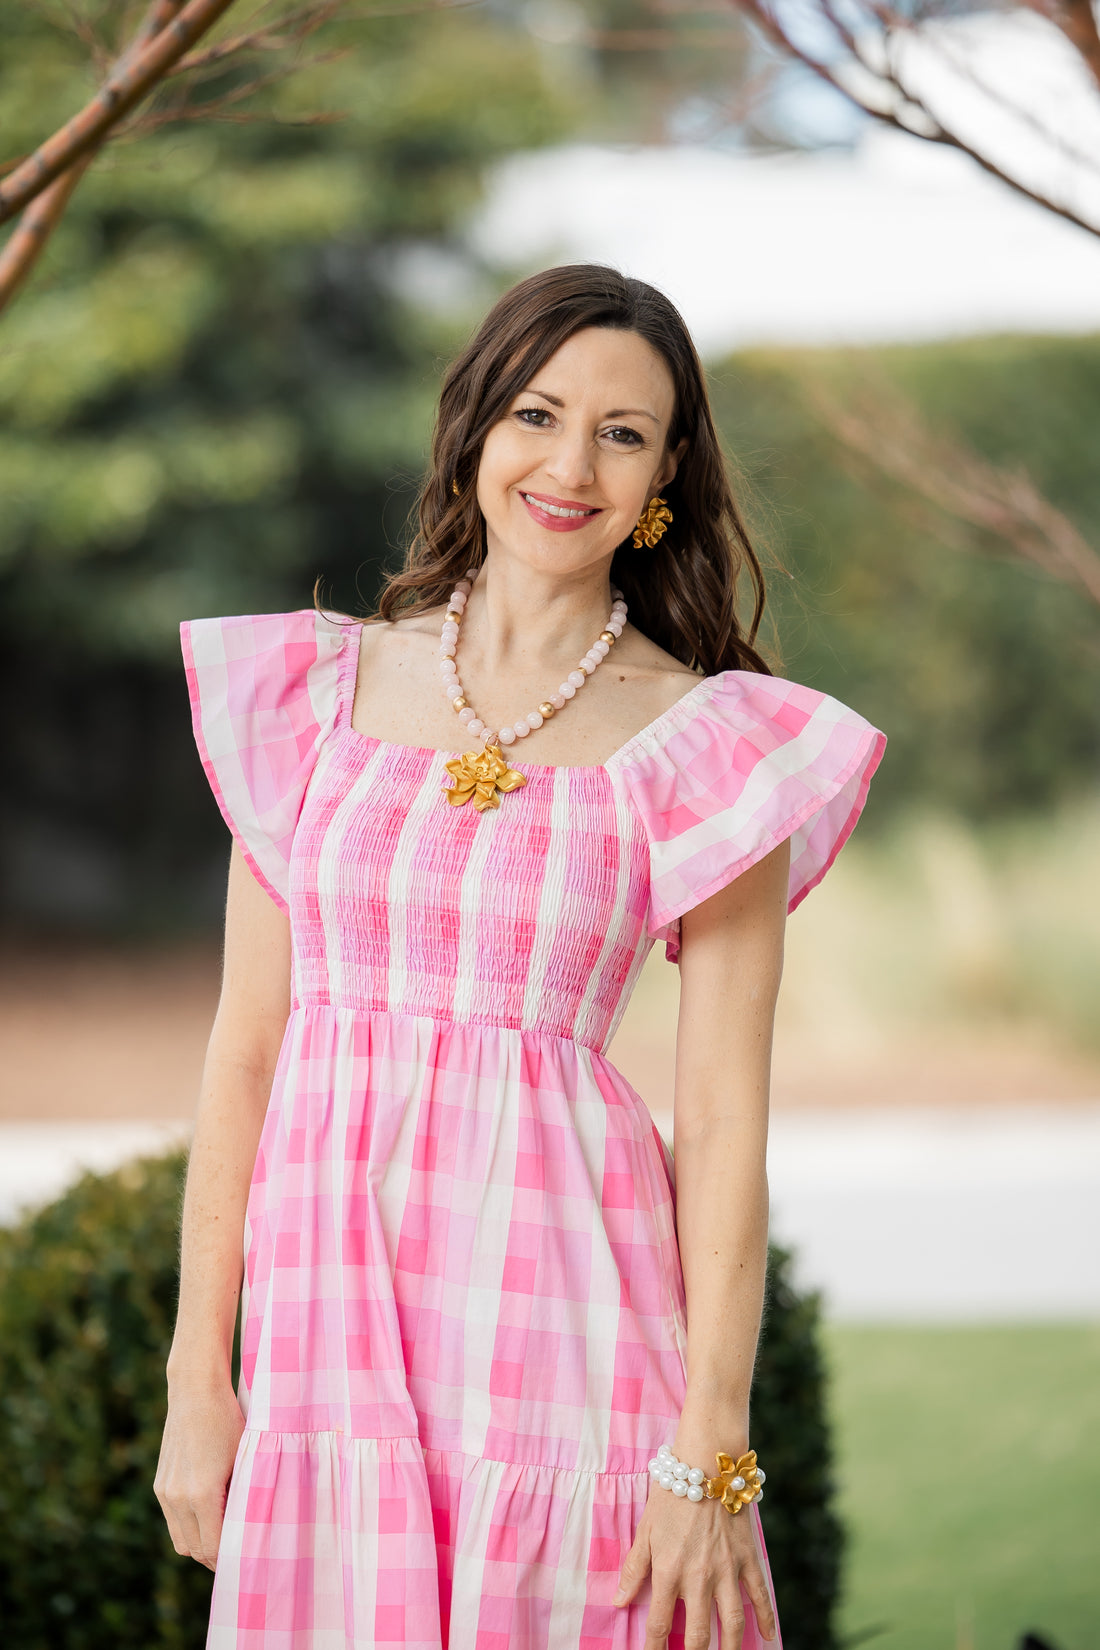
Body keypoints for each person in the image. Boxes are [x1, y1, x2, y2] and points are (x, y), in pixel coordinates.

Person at [155, 262, 885, 1650]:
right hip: (330, 1360)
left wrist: (705, 1452)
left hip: (572, 1342)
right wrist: (203, 1374)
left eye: (624, 431)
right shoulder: (311, 699)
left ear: (668, 470)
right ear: (477, 430)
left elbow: (725, 1117)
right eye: (538, 414)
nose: (570, 463)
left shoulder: (709, 744)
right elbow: (246, 1050)